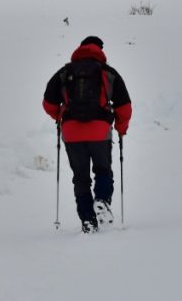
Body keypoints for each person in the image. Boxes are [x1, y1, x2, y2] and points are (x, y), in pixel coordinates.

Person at [43, 36, 132, 233]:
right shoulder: (107, 73)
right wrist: (121, 128)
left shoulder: (65, 72)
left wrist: (60, 115)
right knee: (103, 170)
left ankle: (88, 221)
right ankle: (101, 199)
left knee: (80, 178)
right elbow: (124, 106)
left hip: (71, 133)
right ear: (100, 50)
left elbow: (48, 103)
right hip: (100, 131)